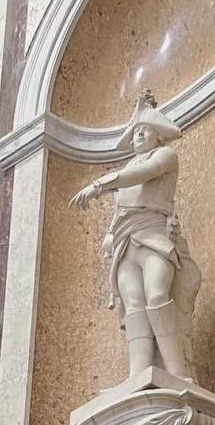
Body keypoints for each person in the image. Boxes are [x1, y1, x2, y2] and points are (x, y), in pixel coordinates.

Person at [69, 93, 201, 380]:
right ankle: (138, 375)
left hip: (154, 236)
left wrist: (99, 185)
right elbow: (120, 210)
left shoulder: (165, 156)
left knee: (156, 294)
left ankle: (177, 373)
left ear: (158, 136)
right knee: (134, 304)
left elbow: (145, 174)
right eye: (136, 132)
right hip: (126, 241)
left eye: (145, 131)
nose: (139, 136)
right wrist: (108, 234)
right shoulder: (128, 168)